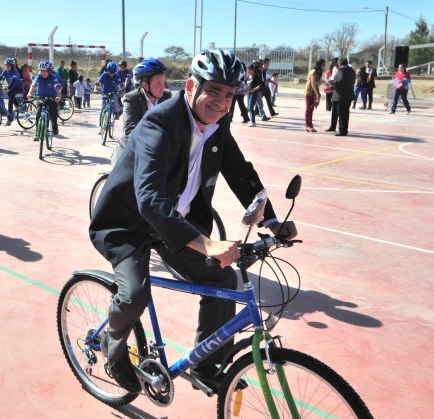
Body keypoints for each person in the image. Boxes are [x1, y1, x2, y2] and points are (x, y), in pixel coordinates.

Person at [89, 48, 297, 394]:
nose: (221, 102)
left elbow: (239, 171)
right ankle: (113, 347)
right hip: (127, 224)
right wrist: (207, 242)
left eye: (229, 95)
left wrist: (272, 220)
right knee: (136, 293)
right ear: (190, 86)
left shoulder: (218, 122)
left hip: (174, 223)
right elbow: (150, 201)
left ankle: (206, 366)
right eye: (213, 91)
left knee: (223, 281)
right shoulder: (159, 123)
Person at [111, 58, 171, 166]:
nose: (163, 88)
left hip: (157, 155)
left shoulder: (166, 97)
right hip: (130, 154)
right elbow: (129, 129)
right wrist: (154, 141)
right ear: (145, 85)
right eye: (159, 84)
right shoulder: (131, 98)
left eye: (164, 83)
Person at [26, 61, 62, 136]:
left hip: (51, 97)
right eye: (41, 71)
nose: (43, 73)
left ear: (49, 71)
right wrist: (30, 93)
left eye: (45, 71)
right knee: (38, 115)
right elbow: (34, 85)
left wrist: (58, 96)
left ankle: (55, 126)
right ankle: (37, 133)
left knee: (53, 113)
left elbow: (57, 87)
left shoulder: (53, 77)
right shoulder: (39, 76)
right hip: (40, 97)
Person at [326, 57, 356, 136]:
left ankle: (342, 130)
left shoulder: (342, 70)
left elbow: (340, 81)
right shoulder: (352, 70)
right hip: (348, 95)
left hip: (341, 95)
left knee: (342, 113)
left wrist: (332, 82)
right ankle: (344, 129)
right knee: (345, 113)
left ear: (339, 63)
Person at [0, 58, 24, 125]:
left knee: (10, 93)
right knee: (10, 103)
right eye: (6, 65)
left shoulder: (15, 72)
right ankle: (10, 120)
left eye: (9, 65)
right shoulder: (5, 71)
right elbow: (0, 78)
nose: (7, 67)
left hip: (18, 87)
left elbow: (14, 81)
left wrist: (8, 87)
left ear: (12, 66)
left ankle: (17, 106)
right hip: (12, 87)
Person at [97, 61, 123, 130]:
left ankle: (117, 113)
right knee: (103, 108)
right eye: (110, 72)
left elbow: (120, 85)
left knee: (115, 103)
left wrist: (121, 92)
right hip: (105, 93)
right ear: (107, 70)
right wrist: (96, 89)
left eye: (113, 72)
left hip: (114, 93)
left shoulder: (117, 76)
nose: (111, 74)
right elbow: (98, 83)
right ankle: (101, 126)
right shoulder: (104, 75)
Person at [304, 59, 325, 133]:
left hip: (314, 93)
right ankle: (307, 125)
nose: (324, 67)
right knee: (308, 108)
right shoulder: (313, 72)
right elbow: (313, 84)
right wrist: (317, 94)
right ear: (319, 65)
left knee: (312, 108)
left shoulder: (319, 73)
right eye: (323, 65)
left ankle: (310, 124)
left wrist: (317, 93)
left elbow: (318, 83)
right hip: (309, 92)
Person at [246, 62, 266, 127]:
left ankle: (253, 122)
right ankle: (252, 120)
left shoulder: (257, 76)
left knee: (251, 107)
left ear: (253, 69)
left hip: (254, 94)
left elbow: (262, 84)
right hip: (248, 94)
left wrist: (254, 89)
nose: (248, 71)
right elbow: (245, 83)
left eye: (249, 70)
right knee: (249, 108)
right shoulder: (248, 76)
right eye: (247, 70)